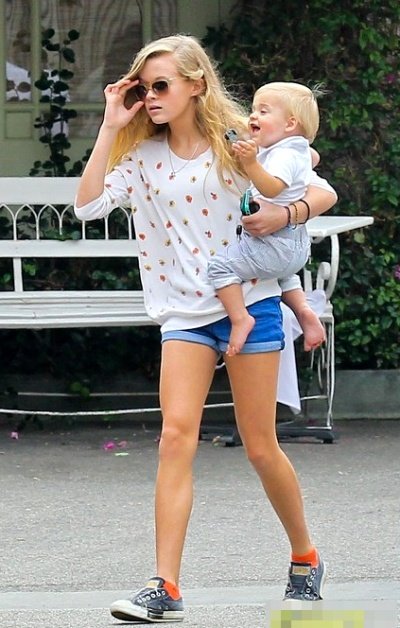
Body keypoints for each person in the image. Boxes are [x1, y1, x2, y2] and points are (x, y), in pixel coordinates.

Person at [74, 34, 337, 624]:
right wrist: (111, 125)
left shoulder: (240, 142)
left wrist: (285, 212)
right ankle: (164, 585)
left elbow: (321, 187)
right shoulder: (143, 158)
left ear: (196, 84)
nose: (150, 96)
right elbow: (87, 207)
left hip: (252, 302)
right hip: (184, 315)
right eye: (143, 88)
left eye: (161, 85)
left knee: (261, 446)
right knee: (175, 437)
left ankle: (305, 555)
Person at [208, 81, 325, 356]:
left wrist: (250, 163)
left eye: (263, 111)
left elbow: (273, 188)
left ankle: (240, 318)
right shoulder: (295, 149)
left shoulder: (283, 155)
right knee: (282, 274)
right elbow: (313, 157)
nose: (253, 116)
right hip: (294, 244)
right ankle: (303, 310)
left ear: (290, 123)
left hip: (272, 242)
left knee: (220, 267)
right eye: (253, 109)